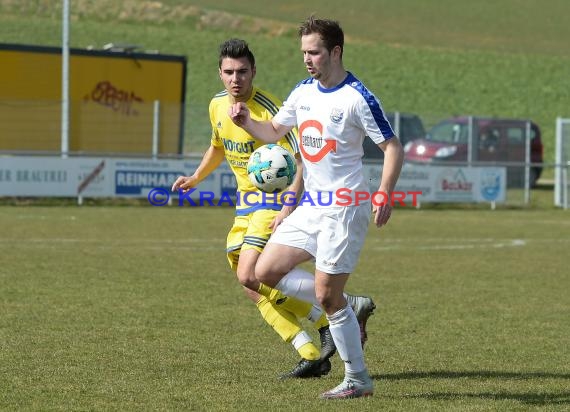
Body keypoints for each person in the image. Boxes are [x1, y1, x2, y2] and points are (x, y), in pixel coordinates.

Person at [171, 38, 373, 379]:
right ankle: (310, 350)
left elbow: (300, 158)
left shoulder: (269, 109)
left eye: (243, 72)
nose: (236, 79)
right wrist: (196, 177)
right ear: (219, 74)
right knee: (251, 285)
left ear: (254, 72)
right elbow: (217, 146)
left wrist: (288, 204)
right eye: (229, 72)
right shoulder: (216, 106)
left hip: (271, 203)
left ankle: (332, 314)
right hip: (244, 206)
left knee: (251, 273)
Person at [229, 17, 404, 399]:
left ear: (335, 52)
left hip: (345, 207)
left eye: (314, 52)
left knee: (326, 296)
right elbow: (273, 131)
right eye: (304, 52)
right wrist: (246, 121)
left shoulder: (357, 98)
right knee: (263, 271)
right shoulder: (303, 92)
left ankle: (357, 378)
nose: (307, 59)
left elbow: (392, 146)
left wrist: (384, 192)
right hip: (312, 205)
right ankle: (350, 305)